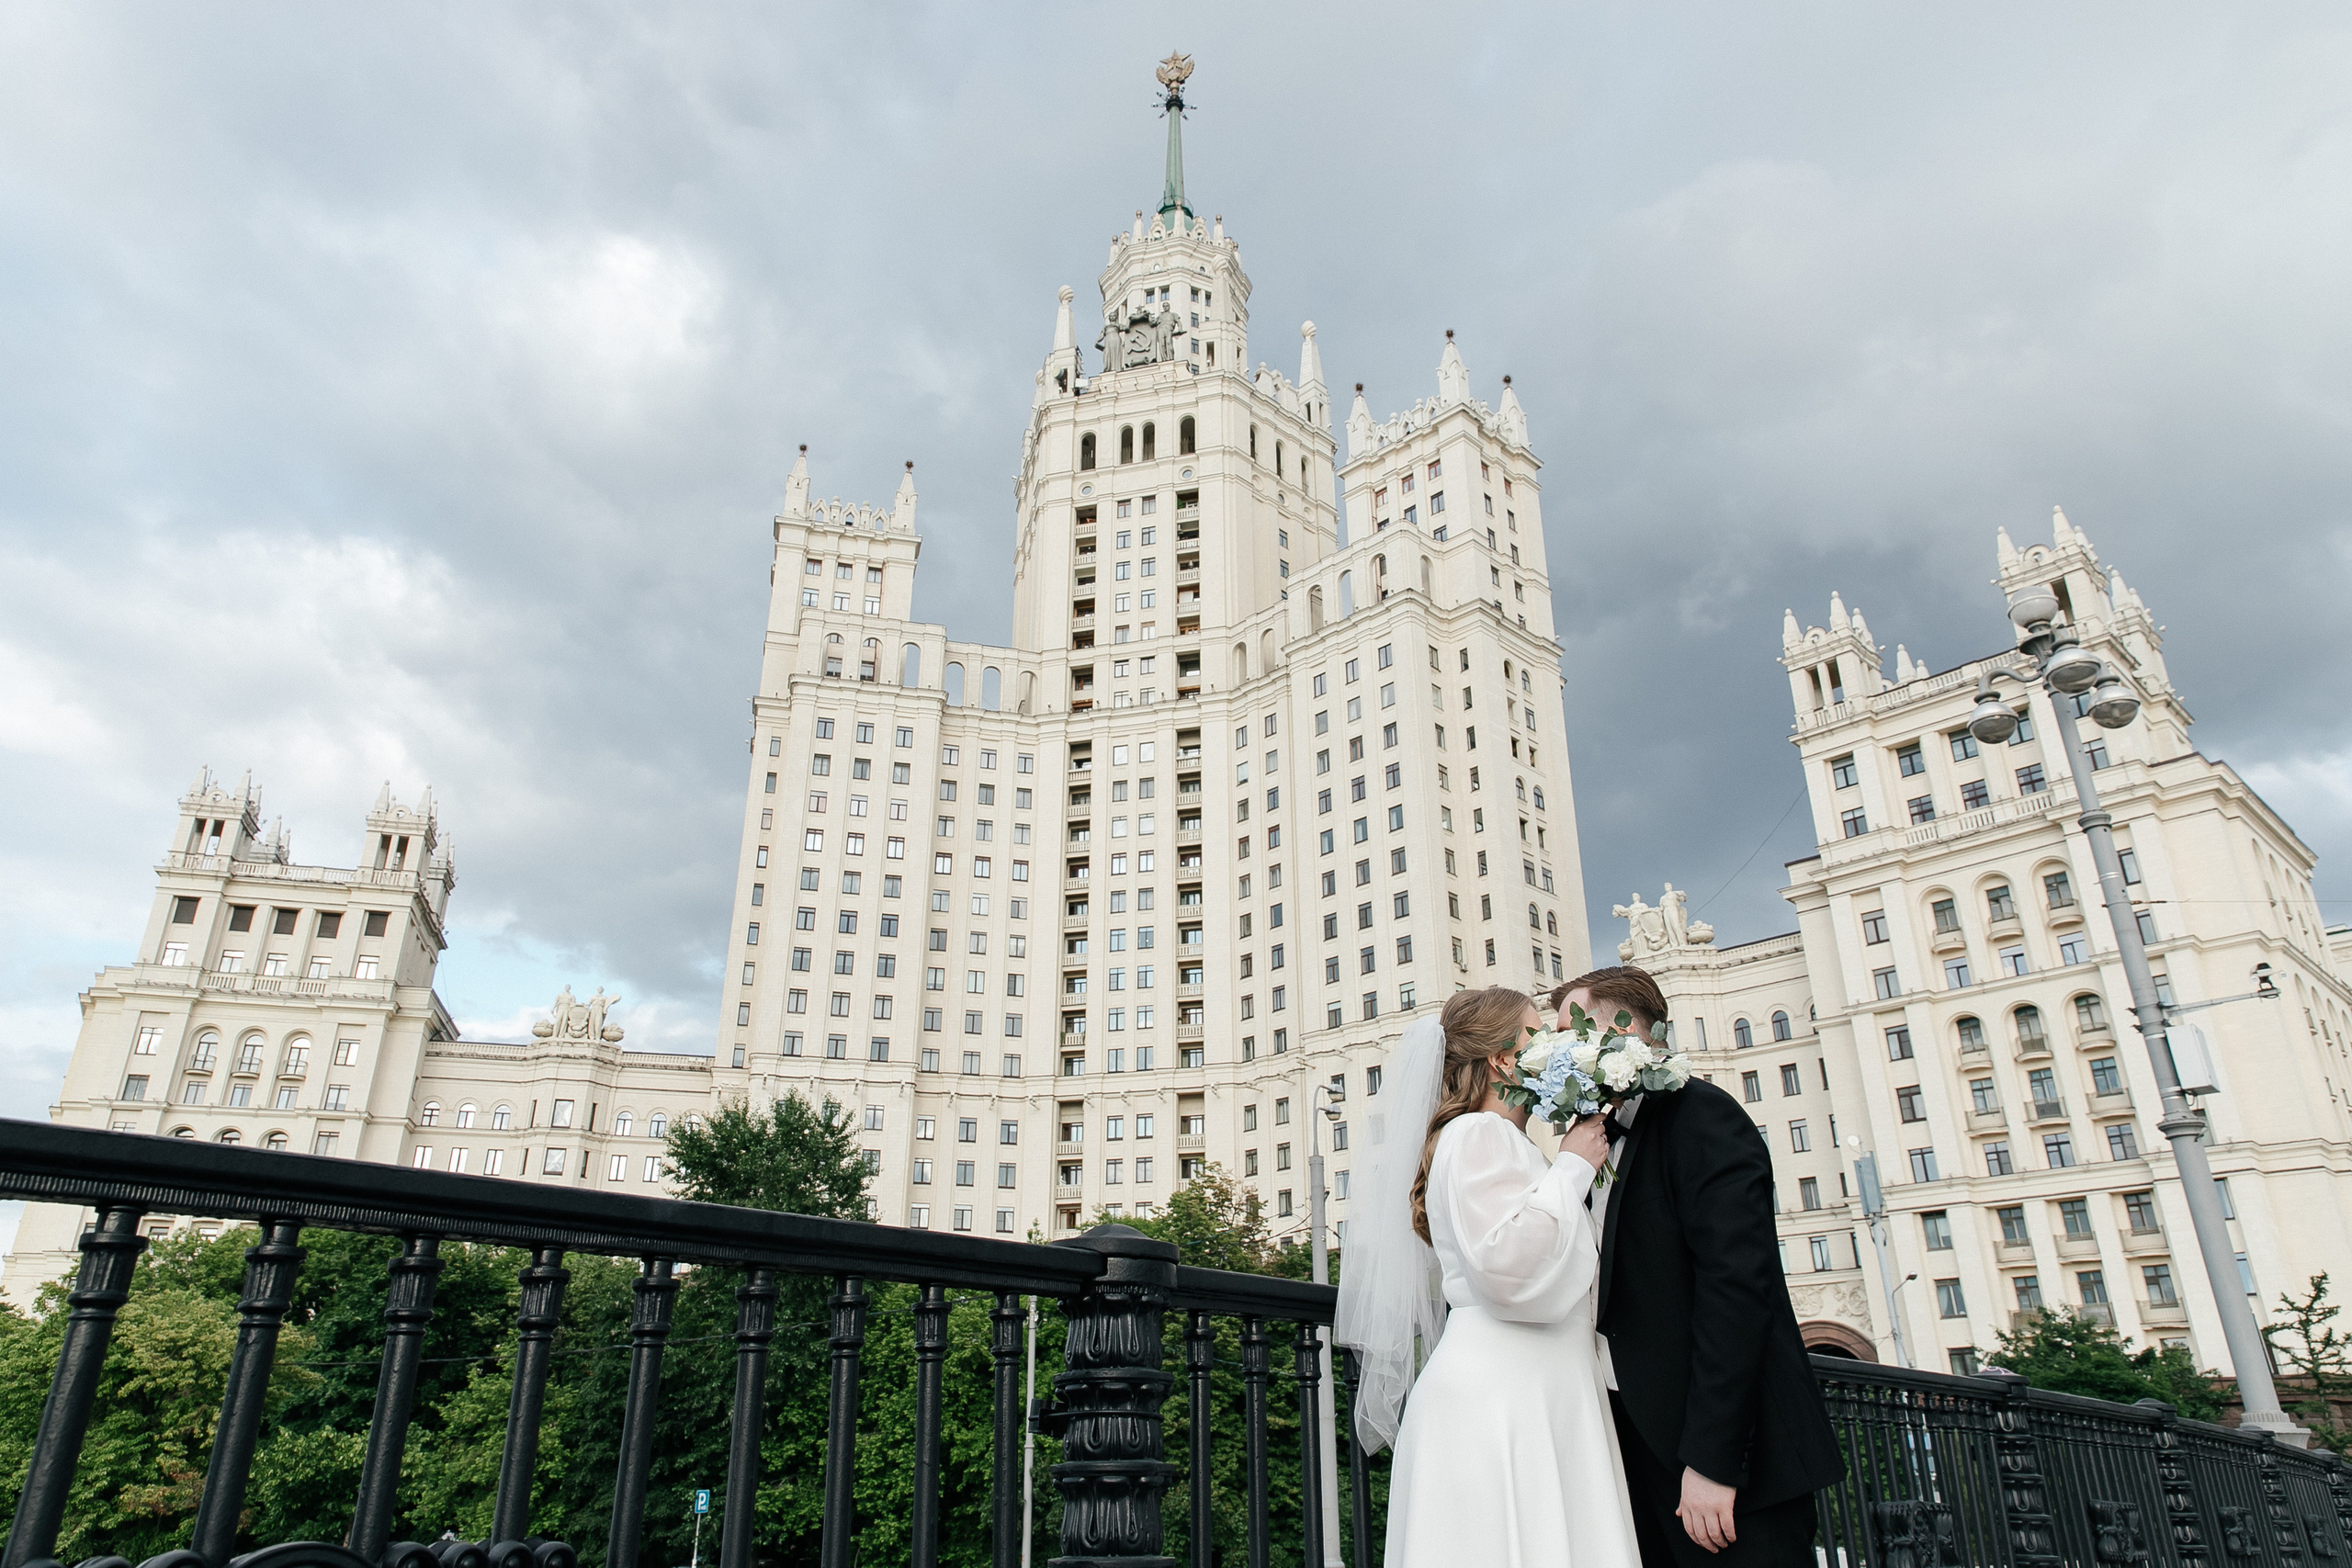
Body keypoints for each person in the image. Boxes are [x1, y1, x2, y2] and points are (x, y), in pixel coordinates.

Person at [1336, 987, 1638, 1568]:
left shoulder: (1504, 1142)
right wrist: (1575, 1167)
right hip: (1505, 1393)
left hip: (1536, 1384)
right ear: (1502, 1058)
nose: (1552, 1041)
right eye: (1536, 1031)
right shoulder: (1479, 1133)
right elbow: (1505, 1267)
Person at [1551, 966, 1841, 1568]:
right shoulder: (1594, 1136)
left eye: (1565, 1032)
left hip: (1726, 1467)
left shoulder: (1705, 1117)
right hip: (1638, 1450)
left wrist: (1712, 1462)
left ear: (1624, 1030)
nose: (1553, 1052)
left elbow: (1735, 1292)